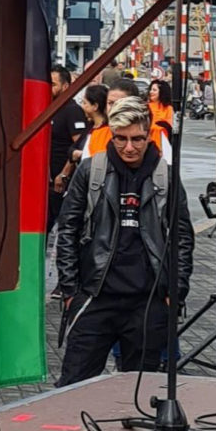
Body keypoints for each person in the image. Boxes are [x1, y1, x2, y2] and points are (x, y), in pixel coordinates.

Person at [55, 96, 193, 386]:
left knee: (140, 392)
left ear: (148, 134)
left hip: (147, 301)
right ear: (112, 134)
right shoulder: (92, 170)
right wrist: (71, 291)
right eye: (121, 139)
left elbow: (182, 237)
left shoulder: (165, 175)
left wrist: (175, 292)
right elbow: (67, 229)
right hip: (95, 296)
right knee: (72, 386)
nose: (129, 147)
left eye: (137, 139)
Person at [47, 66, 87, 233]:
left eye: (53, 84)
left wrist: (64, 174)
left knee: (64, 224)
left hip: (61, 180)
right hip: (47, 179)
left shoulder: (72, 111)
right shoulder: (49, 109)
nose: (49, 88)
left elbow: (79, 146)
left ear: (65, 86)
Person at [112, 77, 173, 163]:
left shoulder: (168, 108)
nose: (151, 92)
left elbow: (169, 125)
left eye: (154, 90)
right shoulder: (144, 106)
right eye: (151, 89)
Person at [71, 84, 110, 162]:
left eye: (85, 103)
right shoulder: (90, 127)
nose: (82, 106)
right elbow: (72, 148)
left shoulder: (106, 130)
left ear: (95, 106)